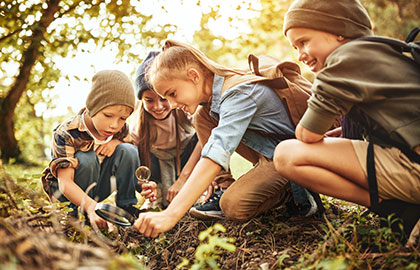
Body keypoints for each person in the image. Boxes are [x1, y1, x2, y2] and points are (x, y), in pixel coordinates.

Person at [133, 40, 320, 237]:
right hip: (271, 156)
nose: (170, 104)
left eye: (172, 94)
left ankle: (298, 191)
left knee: (233, 205)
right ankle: (225, 187)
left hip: (293, 158)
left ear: (193, 76)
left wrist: (170, 214)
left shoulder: (238, 94)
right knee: (202, 117)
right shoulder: (208, 109)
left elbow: (217, 152)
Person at [273, 0, 420, 240]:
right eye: (294, 47)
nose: (299, 55)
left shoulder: (343, 60)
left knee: (287, 154)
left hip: (414, 169)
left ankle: (392, 207)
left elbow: (306, 135)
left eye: (303, 42)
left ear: (339, 31)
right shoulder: (383, 51)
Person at [41, 70, 157, 229]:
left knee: (128, 150)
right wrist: (91, 207)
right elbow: (65, 182)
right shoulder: (67, 133)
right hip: (66, 194)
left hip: (96, 188)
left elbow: (127, 166)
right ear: (92, 108)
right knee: (87, 158)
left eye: (122, 118)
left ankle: (125, 210)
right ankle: (73, 216)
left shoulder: (119, 131)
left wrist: (140, 185)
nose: (114, 125)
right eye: (108, 115)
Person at [131, 51, 202, 208]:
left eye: (163, 99)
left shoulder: (184, 109)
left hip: (185, 162)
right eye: (149, 100)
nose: (157, 107)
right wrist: (144, 184)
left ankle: (198, 190)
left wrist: (184, 177)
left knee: (202, 136)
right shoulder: (137, 126)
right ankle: (157, 194)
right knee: (132, 149)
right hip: (157, 167)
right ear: (141, 100)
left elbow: (208, 138)